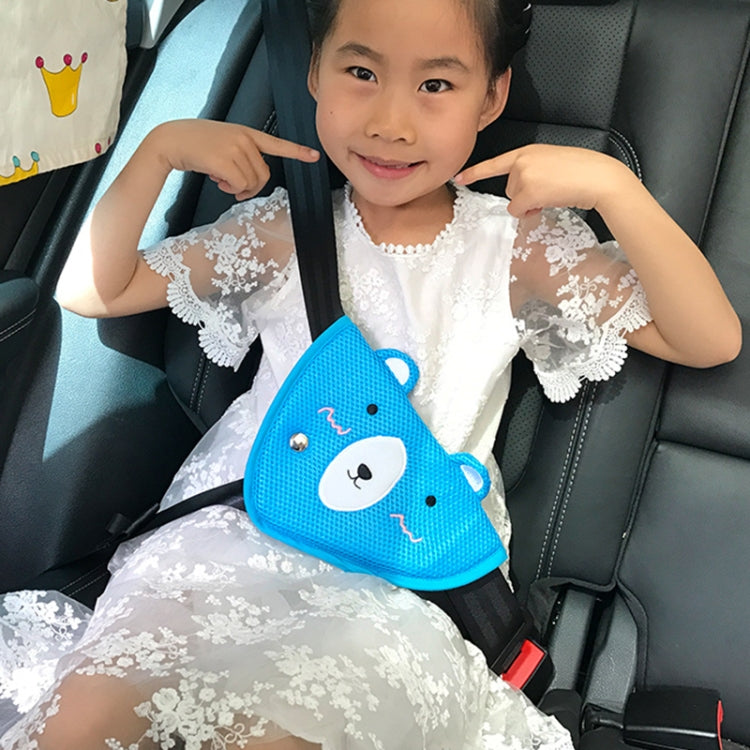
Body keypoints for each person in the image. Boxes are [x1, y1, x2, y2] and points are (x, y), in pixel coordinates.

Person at [0, 0, 741, 747]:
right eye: (360, 72)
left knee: (284, 735)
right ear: (313, 72)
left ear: (492, 97)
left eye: (435, 85)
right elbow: (94, 290)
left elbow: (708, 338)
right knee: (82, 717)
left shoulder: (515, 246)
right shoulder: (285, 229)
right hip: (235, 533)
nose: (391, 122)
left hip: (402, 564)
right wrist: (158, 151)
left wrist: (615, 189)